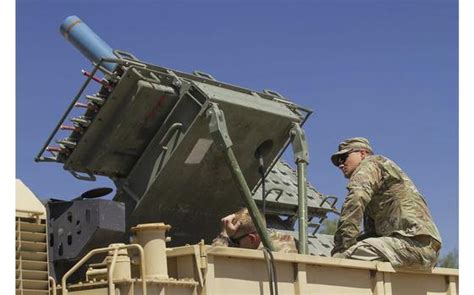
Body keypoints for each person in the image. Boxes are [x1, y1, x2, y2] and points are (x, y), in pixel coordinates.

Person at [330, 137, 442, 270]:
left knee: (343, 259)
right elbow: (373, 233)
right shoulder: (377, 185)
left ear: (362, 153)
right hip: (416, 248)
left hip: (413, 244)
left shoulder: (370, 163)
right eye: (338, 162)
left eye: (344, 157)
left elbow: (356, 199)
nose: (341, 164)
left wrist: (342, 246)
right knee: (357, 250)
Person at [212, 207, 297, 253]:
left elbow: (213, 265)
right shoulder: (281, 240)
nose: (233, 246)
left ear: (252, 239)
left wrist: (224, 235)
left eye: (235, 242)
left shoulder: (267, 255)